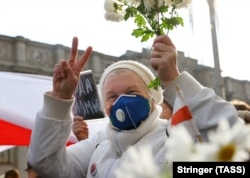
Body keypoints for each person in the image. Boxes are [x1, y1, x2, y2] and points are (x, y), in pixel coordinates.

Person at [28, 35, 239, 177]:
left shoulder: (173, 134)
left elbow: (228, 134)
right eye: (111, 96)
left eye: (131, 93)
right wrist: (60, 99)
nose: (121, 102)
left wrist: (174, 79)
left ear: (152, 97)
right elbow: (46, 163)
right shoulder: (100, 144)